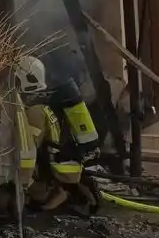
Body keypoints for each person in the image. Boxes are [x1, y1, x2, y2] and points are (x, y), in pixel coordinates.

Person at [14, 54, 100, 215]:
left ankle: (56, 197)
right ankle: (65, 192)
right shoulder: (47, 102)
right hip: (66, 162)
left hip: (57, 166)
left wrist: (22, 182)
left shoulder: (35, 112)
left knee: (23, 195)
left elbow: (29, 149)